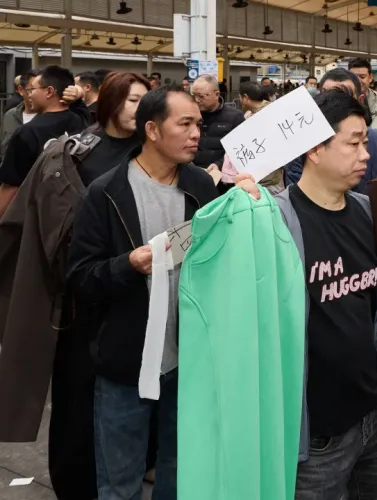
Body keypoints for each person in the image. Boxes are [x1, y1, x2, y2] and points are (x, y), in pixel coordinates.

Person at [234, 91, 377, 500]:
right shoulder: (273, 221)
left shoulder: (371, 213)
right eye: (353, 143)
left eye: (365, 142)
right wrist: (236, 211)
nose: (366, 154)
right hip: (318, 434)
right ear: (315, 149)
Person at [66, 83, 218, 500]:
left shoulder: (201, 188)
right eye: (184, 124)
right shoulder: (106, 193)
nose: (196, 134)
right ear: (152, 129)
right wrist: (127, 266)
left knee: (180, 472)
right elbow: (79, 277)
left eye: (199, 124)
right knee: (119, 482)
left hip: (188, 362)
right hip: (125, 364)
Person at [46, 70, 151, 500]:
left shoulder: (154, 151)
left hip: (140, 296)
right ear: (110, 101)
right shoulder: (78, 152)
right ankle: (76, 482)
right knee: (78, 396)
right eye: (133, 100)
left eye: (146, 99)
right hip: (86, 298)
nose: (141, 108)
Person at [0, 65, 90, 218]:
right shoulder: (82, 120)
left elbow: (11, 187)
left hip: (39, 215)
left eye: (33, 89)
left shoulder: (27, 132)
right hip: (76, 210)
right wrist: (77, 94)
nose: (30, 95)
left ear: (49, 91)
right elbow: (81, 102)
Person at [284, 68, 377, 194]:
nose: (334, 105)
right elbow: (298, 195)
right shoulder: (301, 145)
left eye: (343, 97)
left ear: (360, 100)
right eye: (327, 97)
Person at [190, 74, 245, 171]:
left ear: (216, 95)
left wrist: (219, 164)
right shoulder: (189, 116)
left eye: (201, 96)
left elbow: (240, 149)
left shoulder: (235, 117)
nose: (196, 100)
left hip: (222, 174)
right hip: (192, 171)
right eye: (193, 95)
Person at [1, 69, 38, 160]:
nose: (36, 94)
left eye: (43, 90)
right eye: (32, 89)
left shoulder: (51, 117)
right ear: (21, 90)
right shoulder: (10, 115)